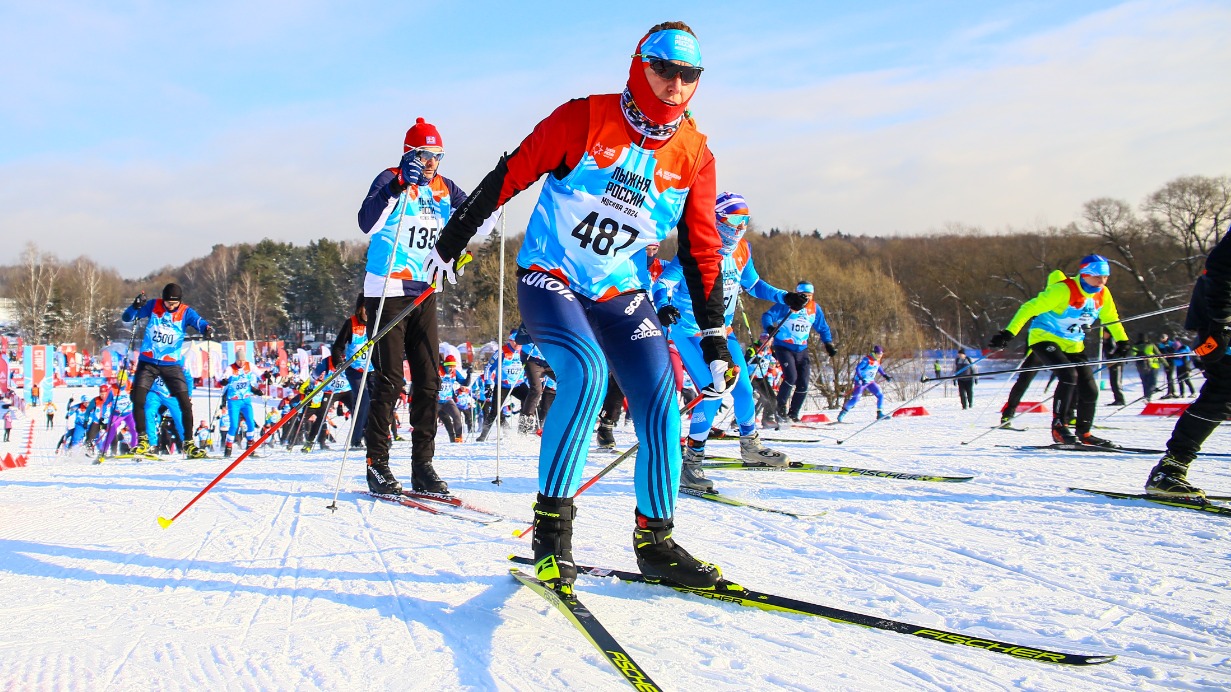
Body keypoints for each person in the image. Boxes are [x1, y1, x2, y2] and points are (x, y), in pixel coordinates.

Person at [426, 21, 730, 590]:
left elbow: (702, 247)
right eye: (664, 69)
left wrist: (712, 336)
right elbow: (511, 172)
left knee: (662, 399)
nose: (675, 85)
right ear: (640, 64)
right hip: (550, 276)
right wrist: (455, 234)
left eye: (689, 75)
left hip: (619, 289)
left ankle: (656, 542)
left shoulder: (694, 155)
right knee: (587, 375)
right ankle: (552, 538)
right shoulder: (583, 117)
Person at [653, 191, 810, 489]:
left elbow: (753, 284)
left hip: (723, 333)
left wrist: (784, 296)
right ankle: (692, 462)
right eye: (733, 220)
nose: (739, 229)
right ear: (715, 220)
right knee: (713, 392)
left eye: (745, 221)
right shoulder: (694, 249)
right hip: (690, 333)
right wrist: (664, 306)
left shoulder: (742, 250)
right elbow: (663, 283)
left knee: (744, 390)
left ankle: (750, 447)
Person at [357, 117, 472, 495]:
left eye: (438, 155)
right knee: (390, 379)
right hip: (388, 287)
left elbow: (476, 219)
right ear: (410, 154)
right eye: (425, 155)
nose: (432, 163)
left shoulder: (444, 187)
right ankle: (378, 464)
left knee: (429, 379)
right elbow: (366, 225)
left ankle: (422, 466)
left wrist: (494, 200)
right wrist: (396, 186)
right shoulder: (390, 177)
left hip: (425, 288)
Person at [988, 255, 1130, 446]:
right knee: (1068, 375)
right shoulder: (1062, 290)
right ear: (1085, 274)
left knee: (1090, 389)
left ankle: (1085, 434)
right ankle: (1059, 427)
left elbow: (1110, 317)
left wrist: (1122, 341)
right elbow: (1028, 308)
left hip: (1073, 344)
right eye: (1097, 277)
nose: (1102, 281)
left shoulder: (1103, 294)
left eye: (1105, 277)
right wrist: (1008, 333)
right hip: (1044, 338)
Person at [1146, 229, 1231, 498]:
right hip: (1220, 319)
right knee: (1224, 390)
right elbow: (1220, 267)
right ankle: (1170, 470)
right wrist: (1221, 323)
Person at [121, 283, 211, 458]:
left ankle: (189, 443)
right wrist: (135, 306)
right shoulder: (153, 305)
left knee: (185, 403)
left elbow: (199, 322)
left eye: (174, 304)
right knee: (138, 399)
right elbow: (127, 317)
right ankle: (143, 440)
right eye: (168, 303)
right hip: (148, 362)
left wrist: (206, 329)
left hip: (171, 364)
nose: (171, 307)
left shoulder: (185, 311)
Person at [761, 282, 836, 422]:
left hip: (801, 349)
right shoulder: (788, 304)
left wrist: (828, 343)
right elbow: (768, 315)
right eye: (803, 295)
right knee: (791, 377)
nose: (806, 299)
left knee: (803, 382)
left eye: (809, 296)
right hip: (784, 346)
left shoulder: (814, 309)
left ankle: (793, 414)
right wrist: (770, 328)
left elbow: (823, 327)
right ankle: (780, 410)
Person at [329, 295, 373, 449]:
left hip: (373, 369)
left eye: (370, 307)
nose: (367, 311)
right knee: (364, 399)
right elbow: (337, 346)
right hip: (355, 369)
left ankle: (374, 437)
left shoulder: (378, 321)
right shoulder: (351, 323)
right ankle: (356, 439)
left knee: (376, 402)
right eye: (365, 307)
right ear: (359, 308)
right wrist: (338, 362)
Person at [219, 348, 262, 457]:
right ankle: (228, 447)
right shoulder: (230, 368)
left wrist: (265, 376)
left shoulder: (249, 365)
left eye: (243, 360)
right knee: (233, 425)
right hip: (234, 401)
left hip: (246, 400)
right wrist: (223, 381)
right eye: (239, 361)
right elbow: (223, 377)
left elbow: (259, 373)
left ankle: (250, 446)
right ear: (236, 360)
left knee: (251, 424)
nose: (241, 363)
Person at [836, 346, 894, 422]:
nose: (879, 356)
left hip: (870, 382)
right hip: (861, 382)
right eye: (878, 354)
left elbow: (878, 367)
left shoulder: (877, 360)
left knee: (880, 395)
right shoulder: (867, 360)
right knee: (856, 398)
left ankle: (880, 414)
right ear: (874, 353)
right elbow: (858, 368)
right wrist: (861, 378)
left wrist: (885, 375)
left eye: (881, 354)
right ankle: (842, 413)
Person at [1131, 333, 1162, 403]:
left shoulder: (1135, 346)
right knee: (1152, 382)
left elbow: (1132, 355)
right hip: (1153, 366)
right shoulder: (1151, 345)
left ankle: (1146, 396)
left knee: (1145, 383)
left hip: (1141, 367)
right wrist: (1166, 365)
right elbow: (1159, 355)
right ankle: (1148, 397)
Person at [1102, 331, 1127, 406]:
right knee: (1113, 382)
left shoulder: (1112, 340)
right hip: (1111, 364)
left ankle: (1120, 399)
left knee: (1116, 382)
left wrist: (1112, 360)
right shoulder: (1107, 341)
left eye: (1104, 333)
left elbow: (1114, 352)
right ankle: (1117, 399)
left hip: (1116, 364)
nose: (1103, 335)